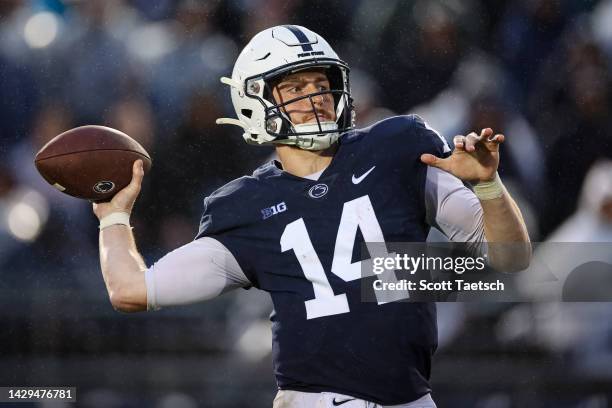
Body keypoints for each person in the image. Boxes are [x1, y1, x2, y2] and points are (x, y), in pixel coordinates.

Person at [92, 25, 531, 408]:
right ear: (255, 102)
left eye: (320, 84)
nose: (316, 98)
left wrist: (489, 187)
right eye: (296, 89)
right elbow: (131, 290)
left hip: (413, 398)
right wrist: (113, 217)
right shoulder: (245, 206)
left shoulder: (399, 148)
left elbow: (511, 256)